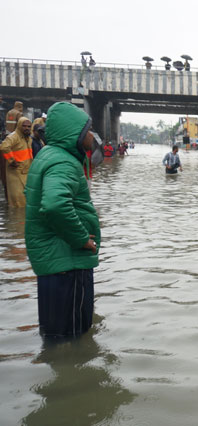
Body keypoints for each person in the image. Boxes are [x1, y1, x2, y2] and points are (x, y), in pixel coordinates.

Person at [24, 102, 101, 338]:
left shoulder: (49, 155)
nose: (91, 135)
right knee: (74, 336)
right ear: (74, 133)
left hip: (53, 260)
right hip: (68, 262)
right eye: (87, 130)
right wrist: (81, 240)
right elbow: (55, 205)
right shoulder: (64, 163)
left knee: (55, 335)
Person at [1, 116, 33, 207]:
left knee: (25, 200)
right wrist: (12, 160)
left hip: (25, 172)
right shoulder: (13, 136)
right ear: (19, 126)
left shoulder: (28, 138)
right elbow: (4, 147)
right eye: (24, 126)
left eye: (29, 126)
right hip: (15, 172)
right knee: (17, 201)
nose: (27, 128)